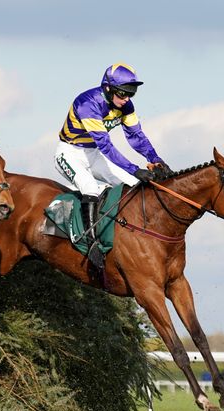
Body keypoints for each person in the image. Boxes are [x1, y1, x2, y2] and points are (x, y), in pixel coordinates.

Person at [55, 62, 170, 268]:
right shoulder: (88, 103)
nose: (126, 99)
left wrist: (155, 159)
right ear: (107, 88)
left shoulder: (126, 106)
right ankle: (90, 243)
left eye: (131, 94)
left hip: (93, 154)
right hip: (70, 153)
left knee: (131, 185)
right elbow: (107, 146)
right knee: (90, 187)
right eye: (122, 93)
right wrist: (135, 168)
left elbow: (136, 136)